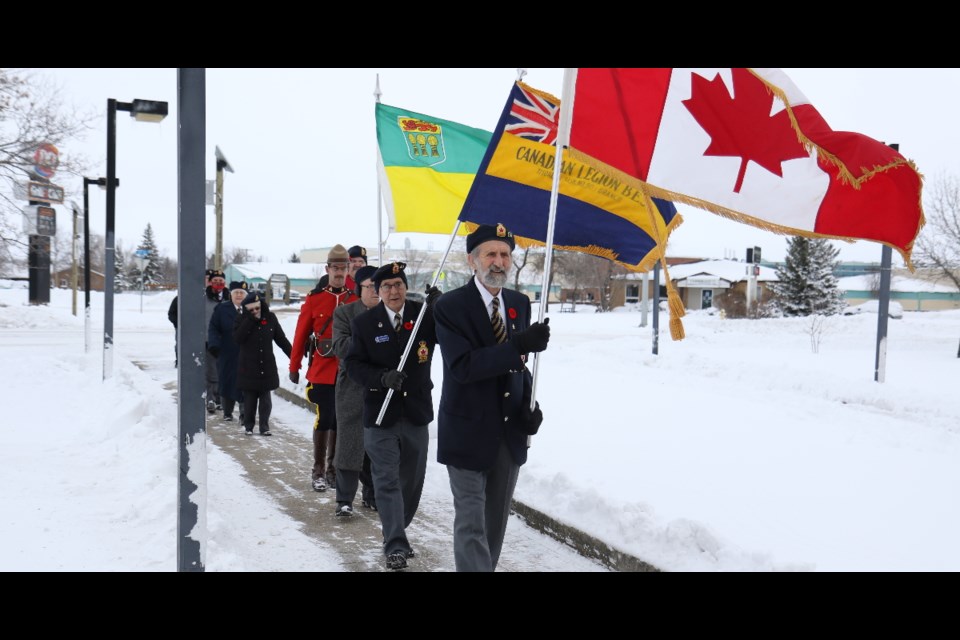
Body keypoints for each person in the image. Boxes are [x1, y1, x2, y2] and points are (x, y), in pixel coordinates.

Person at [432, 223, 549, 572]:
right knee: (471, 523)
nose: (499, 262)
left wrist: (531, 407)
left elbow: (520, 367)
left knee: (494, 523)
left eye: (505, 254)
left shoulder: (518, 304)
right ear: (472, 260)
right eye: (491, 254)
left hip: (509, 432)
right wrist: (518, 346)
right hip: (466, 430)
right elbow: (463, 367)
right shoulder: (450, 307)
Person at [345, 261, 441, 570]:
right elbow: (353, 366)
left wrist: (441, 305)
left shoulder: (424, 315)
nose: (393, 290)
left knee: (410, 482)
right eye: (386, 286)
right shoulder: (365, 324)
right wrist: (382, 378)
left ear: (405, 286)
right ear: (377, 291)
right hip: (381, 415)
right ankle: (395, 543)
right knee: (385, 480)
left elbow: (453, 330)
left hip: (415, 413)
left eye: (398, 284)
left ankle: (397, 527)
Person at [289, 245, 358, 491]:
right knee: (325, 417)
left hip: (348, 370)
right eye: (335, 268)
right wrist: (294, 365)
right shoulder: (315, 298)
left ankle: (333, 469)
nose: (339, 272)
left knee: (341, 420)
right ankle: (318, 470)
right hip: (323, 369)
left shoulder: (356, 298)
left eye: (343, 268)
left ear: (349, 268)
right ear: (327, 269)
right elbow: (300, 335)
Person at [330, 264, 380, 517]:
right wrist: (372, 334)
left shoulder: (390, 313)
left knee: (378, 445)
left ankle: (372, 494)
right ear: (358, 288)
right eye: (370, 286)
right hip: (352, 387)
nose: (376, 291)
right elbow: (340, 347)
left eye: (379, 286)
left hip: (381, 386)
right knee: (349, 443)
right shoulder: (345, 313)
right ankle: (344, 499)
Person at [234, 290, 292, 436]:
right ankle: (249, 425)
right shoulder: (241, 320)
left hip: (266, 365)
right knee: (250, 400)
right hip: (248, 367)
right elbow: (237, 338)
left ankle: (264, 426)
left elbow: (281, 339)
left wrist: (294, 356)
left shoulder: (270, 318)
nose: (255, 311)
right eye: (251, 309)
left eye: (257, 308)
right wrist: (250, 320)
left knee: (265, 399)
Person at [208, 281, 248, 422]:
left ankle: (244, 413)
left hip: (246, 353)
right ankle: (227, 411)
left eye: (241, 293)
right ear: (230, 295)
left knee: (245, 383)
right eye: (236, 292)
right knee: (226, 382)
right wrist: (214, 345)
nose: (239, 295)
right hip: (226, 352)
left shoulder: (251, 309)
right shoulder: (222, 309)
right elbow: (213, 328)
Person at [204, 269, 228, 414]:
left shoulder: (229, 298)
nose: (218, 284)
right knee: (210, 371)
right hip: (208, 340)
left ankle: (220, 398)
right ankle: (210, 398)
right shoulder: (203, 298)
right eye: (215, 281)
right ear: (210, 282)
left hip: (226, 341)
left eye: (221, 281)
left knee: (223, 371)